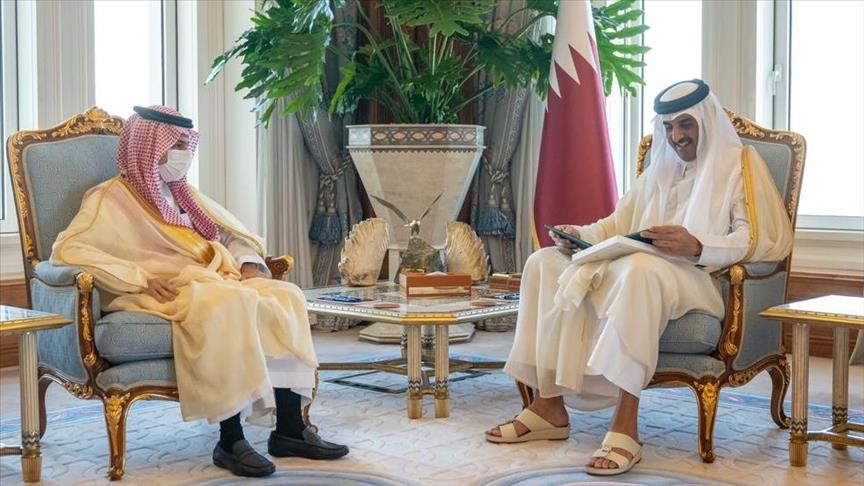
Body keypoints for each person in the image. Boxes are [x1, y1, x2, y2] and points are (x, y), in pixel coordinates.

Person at [485, 79, 793, 476]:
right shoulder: (659, 169)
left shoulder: (739, 166)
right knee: (544, 262)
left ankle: (625, 425)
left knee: (639, 270)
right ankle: (548, 407)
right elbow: (618, 224)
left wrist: (698, 245)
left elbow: (756, 239)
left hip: (701, 278)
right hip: (641, 267)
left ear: (706, 121)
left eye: (686, 124)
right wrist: (579, 235)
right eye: (669, 127)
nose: (676, 136)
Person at [50, 105, 348, 478]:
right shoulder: (110, 198)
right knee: (228, 303)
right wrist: (139, 277)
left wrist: (249, 263)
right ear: (148, 146)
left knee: (285, 295)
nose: (184, 152)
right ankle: (230, 440)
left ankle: (290, 429)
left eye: (185, 144)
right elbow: (69, 250)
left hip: (216, 277)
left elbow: (225, 233)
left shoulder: (183, 193)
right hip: (165, 288)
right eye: (175, 144)